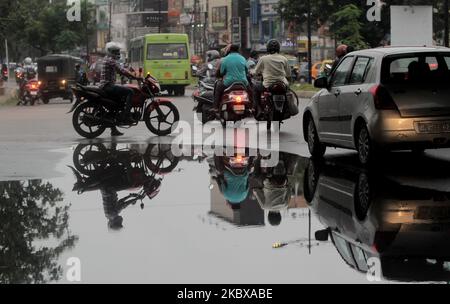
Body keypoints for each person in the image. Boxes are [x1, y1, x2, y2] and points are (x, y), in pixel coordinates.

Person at [100, 42, 141, 137]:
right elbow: (121, 71)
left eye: (117, 51)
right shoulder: (110, 60)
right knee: (130, 91)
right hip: (108, 86)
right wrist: (134, 77)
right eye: (115, 51)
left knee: (116, 105)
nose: (117, 53)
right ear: (111, 52)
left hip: (107, 86)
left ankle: (113, 129)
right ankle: (127, 115)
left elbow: (122, 68)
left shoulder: (109, 59)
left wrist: (130, 72)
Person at [252, 40, 291, 115]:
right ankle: (287, 108)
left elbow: (255, 72)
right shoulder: (284, 58)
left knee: (255, 88)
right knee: (288, 92)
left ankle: (258, 108)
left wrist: (252, 72)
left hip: (268, 85)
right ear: (278, 48)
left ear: (268, 48)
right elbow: (288, 74)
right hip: (282, 84)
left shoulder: (263, 59)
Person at [212, 44, 249, 112]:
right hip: (243, 82)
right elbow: (247, 71)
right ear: (238, 50)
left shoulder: (225, 59)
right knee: (250, 90)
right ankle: (251, 107)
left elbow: (221, 72)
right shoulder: (243, 58)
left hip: (228, 82)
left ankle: (216, 107)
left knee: (218, 86)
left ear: (229, 50)